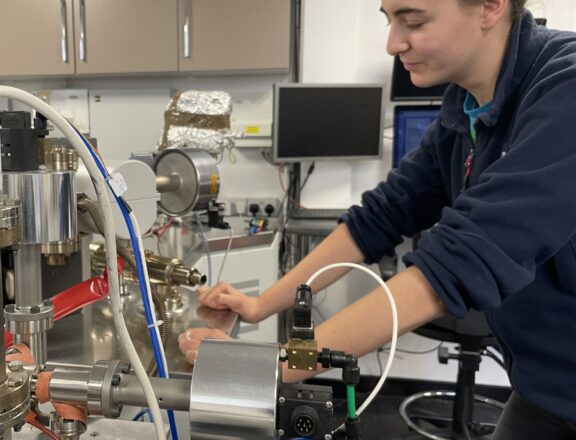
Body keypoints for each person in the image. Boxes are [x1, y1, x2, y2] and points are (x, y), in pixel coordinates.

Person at [178, 0, 576, 437]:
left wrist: (275, 364)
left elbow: (463, 261)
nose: (393, 43)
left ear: (490, 7)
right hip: (543, 388)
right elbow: (380, 217)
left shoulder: (566, 86)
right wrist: (260, 305)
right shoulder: (465, 107)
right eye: (389, 20)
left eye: (414, 21)